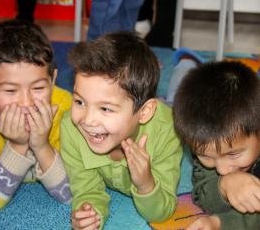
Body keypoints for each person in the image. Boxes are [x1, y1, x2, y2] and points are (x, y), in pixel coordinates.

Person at [60, 31, 183, 229]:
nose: (88, 120)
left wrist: (146, 183)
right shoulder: (71, 128)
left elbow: (162, 212)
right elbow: (86, 188)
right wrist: (90, 212)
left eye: (105, 108)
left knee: (184, 100)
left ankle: (185, 65)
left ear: (144, 113)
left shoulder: (168, 132)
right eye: (80, 101)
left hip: (176, 112)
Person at [0, 19, 72, 211]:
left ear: (53, 82)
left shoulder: (66, 109)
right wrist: (18, 146)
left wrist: (42, 146)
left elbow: (72, 195)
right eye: (10, 91)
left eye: (38, 88)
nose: (26, 103)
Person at [173, 61, 260, 229]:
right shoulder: (209, 144)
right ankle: (184, 64)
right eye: (204, 156)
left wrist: (222, 222)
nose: (221, 169)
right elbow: (201, 193)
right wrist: (223, 186)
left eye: (233, 154)